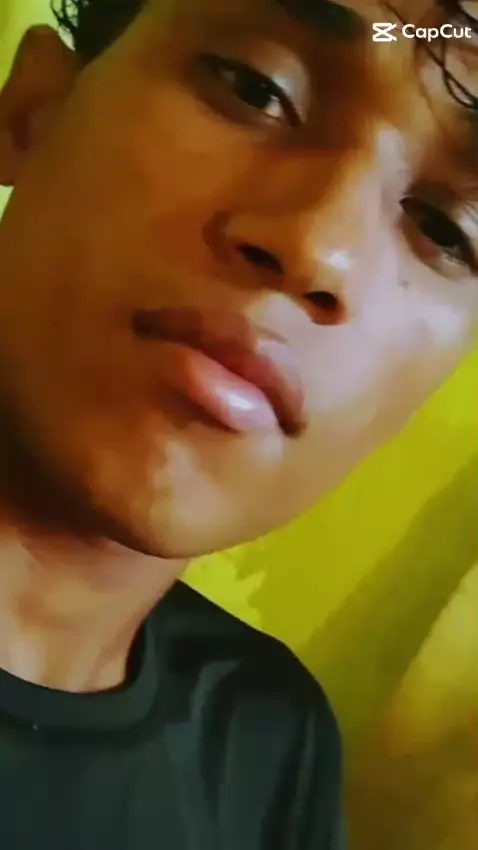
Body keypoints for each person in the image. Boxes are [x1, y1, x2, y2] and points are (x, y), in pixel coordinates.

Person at [0, 0, 475, 846]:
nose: (320, 247)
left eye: (446, 231)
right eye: (254, 88)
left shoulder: (269, 748)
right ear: (34, 108)